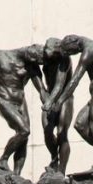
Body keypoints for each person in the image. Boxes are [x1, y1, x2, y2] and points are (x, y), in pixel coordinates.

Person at [44, 36, 93, 171]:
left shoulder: (87, 52)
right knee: (80, 124)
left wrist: (59, 101)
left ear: (75, 45)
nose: (71, 55)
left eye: (70, 52)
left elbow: (74, 81)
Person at [0, 46, 46, 178]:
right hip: (4, 99)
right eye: (35, 59)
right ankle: (3, 160)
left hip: (20, 100)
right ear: (30, 51)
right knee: (24, 130)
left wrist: (49, 101)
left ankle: (17, 175)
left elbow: (41, 87)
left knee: (23, 137)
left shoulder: (31, 64)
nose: (35, 62)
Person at [41, 38, 73, 176]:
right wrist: (45, 98)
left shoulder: (64, 60)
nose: (47, 53)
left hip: (65, 98)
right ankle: (54, 158)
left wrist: (50, 102)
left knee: (61, 132)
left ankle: (62, 170)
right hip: (50, 97)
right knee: (47, 131)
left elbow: (60, 85)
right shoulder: (46, 62)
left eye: (50, 50)